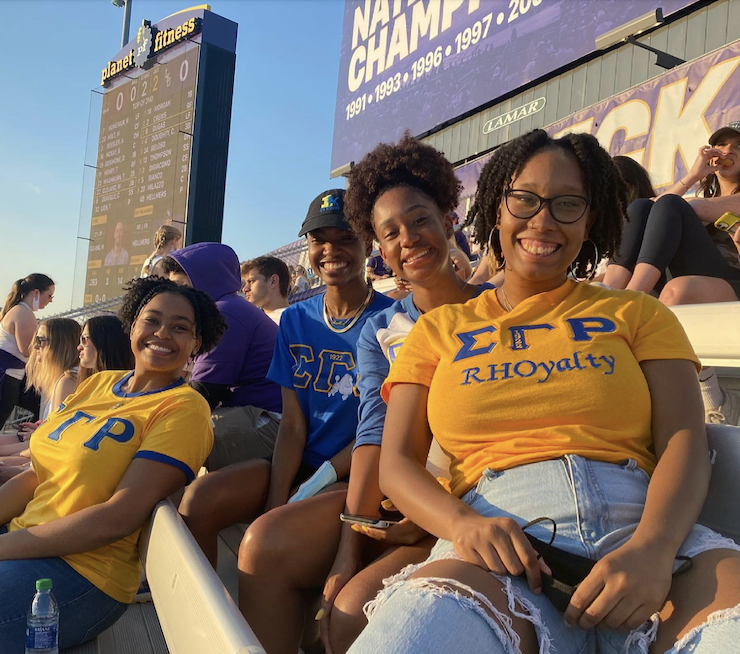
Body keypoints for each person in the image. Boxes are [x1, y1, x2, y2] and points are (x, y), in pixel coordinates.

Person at [347, 129, 740, 654]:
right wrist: (461, 525)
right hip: (497, 543)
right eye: (524, 199)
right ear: (494, 210)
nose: (543, 220)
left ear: (592, 218)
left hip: (651, 530)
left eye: (567, 204)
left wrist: (654, 548)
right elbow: (396, 463)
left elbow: (685, 441)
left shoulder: (635, 312)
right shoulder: (437, 331)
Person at [237, 139, 493, 654]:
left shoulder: (502, 307)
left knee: (351, 611)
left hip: (477, 495)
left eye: (420, 221)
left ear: (449, 219)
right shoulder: (381, 329)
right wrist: (346, 552)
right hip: (394, 496)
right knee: (263, 545)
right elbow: (374, 437)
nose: (408, 240)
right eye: (391, 232)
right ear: (380, 244)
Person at [0, 277, 225, 650]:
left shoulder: (184, 409)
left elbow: (119, 516)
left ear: (195, 344)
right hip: (24, 545)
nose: (162, 333)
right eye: (151, 320)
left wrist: (4, 547)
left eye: (180, 327)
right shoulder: (98, 383)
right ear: (132, 326)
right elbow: (36, 477)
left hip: (84, 575)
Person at [180, 190, 394, 579]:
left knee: (268, 538)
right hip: (299, 463)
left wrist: (313, 485)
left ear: (369, 241)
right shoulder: (296, 319)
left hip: (352, 475)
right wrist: (277, 500)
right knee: (199, 500)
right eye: (319, 239)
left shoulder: (391, 321)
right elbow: (293, 425)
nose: (331, 249)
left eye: (345, 236)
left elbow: (377, 431)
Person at [605, 123, 740, 424]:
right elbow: (650, 208)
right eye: (723, 145)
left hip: (734, 282)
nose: (728, 151)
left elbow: (690, 209)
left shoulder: (720, 204)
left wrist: (678, 200)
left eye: (738, 147)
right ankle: (611, 297)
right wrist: (693, 176)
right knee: (639, 208)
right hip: (701, 278)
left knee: (678, 287)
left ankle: (628, 303)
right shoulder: (699, 200)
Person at [163, 243, 283, 469]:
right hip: (256, 414)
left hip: (272, 421)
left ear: (206, 280)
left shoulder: (226, 312)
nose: (174, 296)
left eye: (181, 286)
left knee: (167, 439)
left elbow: (203, 393)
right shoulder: (225, 308)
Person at [0, 274, 54, 428]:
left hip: (11, 375)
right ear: (36, 293)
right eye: (49, 295)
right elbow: (27, 350)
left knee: (41, 405)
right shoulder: (24, 313)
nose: (50, 300)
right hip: (7, 376)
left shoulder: (18, 310)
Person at [241, 256, 291, 324]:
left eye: (251, 281)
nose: (245, 289)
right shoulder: (300, 319)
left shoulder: (287, 322)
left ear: (273, 281)